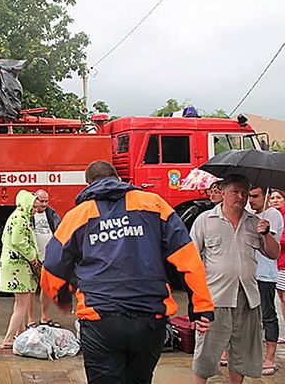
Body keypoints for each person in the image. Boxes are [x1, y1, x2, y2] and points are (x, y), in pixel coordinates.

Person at [41, 160, 214, 384]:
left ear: (88, 184)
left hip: (100, 319)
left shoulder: (78, 215)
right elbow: (188, 259)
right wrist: (201, 308)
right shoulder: (154, 205)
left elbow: (53, 265)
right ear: (119, 179)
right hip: (150, 318)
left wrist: (63, 297)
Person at [191, 174, 280, 383]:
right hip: (216, 297)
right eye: (235, 192)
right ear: (222, 192)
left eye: (244, 193)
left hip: (248, 297)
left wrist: (266, 234)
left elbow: (274, 253)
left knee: (242, 354)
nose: (240, 197)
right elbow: (191, 259)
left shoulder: (255, 222)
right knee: (206, 352)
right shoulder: (205, 221)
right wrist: (196, 299)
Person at [0, 190, 41, 347]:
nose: (36, 210)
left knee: (19, 303)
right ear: (27, 204)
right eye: (34, 207)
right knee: (22, 304)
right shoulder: (21, 218)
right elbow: (19, 240)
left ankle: (20, 335)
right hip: (19, 267)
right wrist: (32, 256)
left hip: (12, 265)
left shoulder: (15, 216)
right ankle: (9, 339)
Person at [248, 185, 283, 375]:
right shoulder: (250, 214)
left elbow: (272, 248)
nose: (251, 200)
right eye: (249, 196)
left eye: (255, 196)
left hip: (265, 274)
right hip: (248, 273)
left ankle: (269, 357)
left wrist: (266, 232)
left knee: (268, 314)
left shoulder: (273, 214)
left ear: (266, 196)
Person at [27, 189, 61, 328]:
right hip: (34, 258)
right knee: (30, 290)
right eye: (41, 201)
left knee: (46, 289)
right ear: (35, 200)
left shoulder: (51, 213)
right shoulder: (29, 214)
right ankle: (30, 320)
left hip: (49, 257)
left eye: (47, 201)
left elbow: (59, 229)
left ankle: (44, 318)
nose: (44, 204)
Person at [0, 57, 26, 135]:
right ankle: (10, 131)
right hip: (13, 92)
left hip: (2, 91)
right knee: (9, 111)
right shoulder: (9, 68)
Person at [270, 189, 285, 342]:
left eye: (278, 197)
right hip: (278, 264)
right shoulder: (274, 216)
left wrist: (270, 237)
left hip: (284, 264)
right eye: (273, 198)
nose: (275, 200)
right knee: (281, 297)